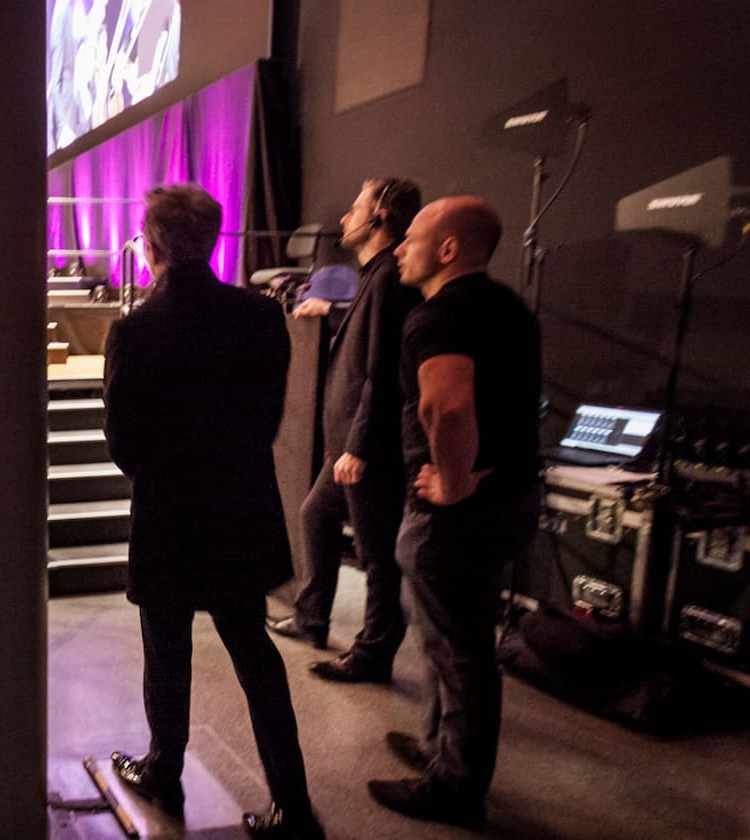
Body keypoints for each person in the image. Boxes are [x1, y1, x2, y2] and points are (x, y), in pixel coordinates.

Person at [102, 184, 322, 839]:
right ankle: (293, 806)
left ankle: (163, 772)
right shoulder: (259, 317)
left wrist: (164, 474)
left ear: (152, 246)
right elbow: (268, 419)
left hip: (169, 515)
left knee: (165, 652)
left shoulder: (135, 329)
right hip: (240, 508)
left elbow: (123, 442)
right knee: (255, 653)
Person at [366, 197, 541, 827]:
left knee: (460, 649)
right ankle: (440, 746)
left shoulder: (437, 318)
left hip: (458, 513)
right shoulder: (510, 309)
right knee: (453, 634)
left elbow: (448, 407)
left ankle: (456, 785)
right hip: (513, 499)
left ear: (447, 250)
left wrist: (456, 483)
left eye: (411, 238)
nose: (398, 247)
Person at [269, 178, 422, 685]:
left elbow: (383, 372)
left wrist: (356, 446)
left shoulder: (388, 280)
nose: (343, 218)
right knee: (315, 515)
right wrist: (332, 312)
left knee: (378, 554)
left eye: (354, 208)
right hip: (348, 446)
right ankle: (313, 619)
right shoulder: (376, 278)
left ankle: (374, 654)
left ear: (379, 216)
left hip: (365, 448)